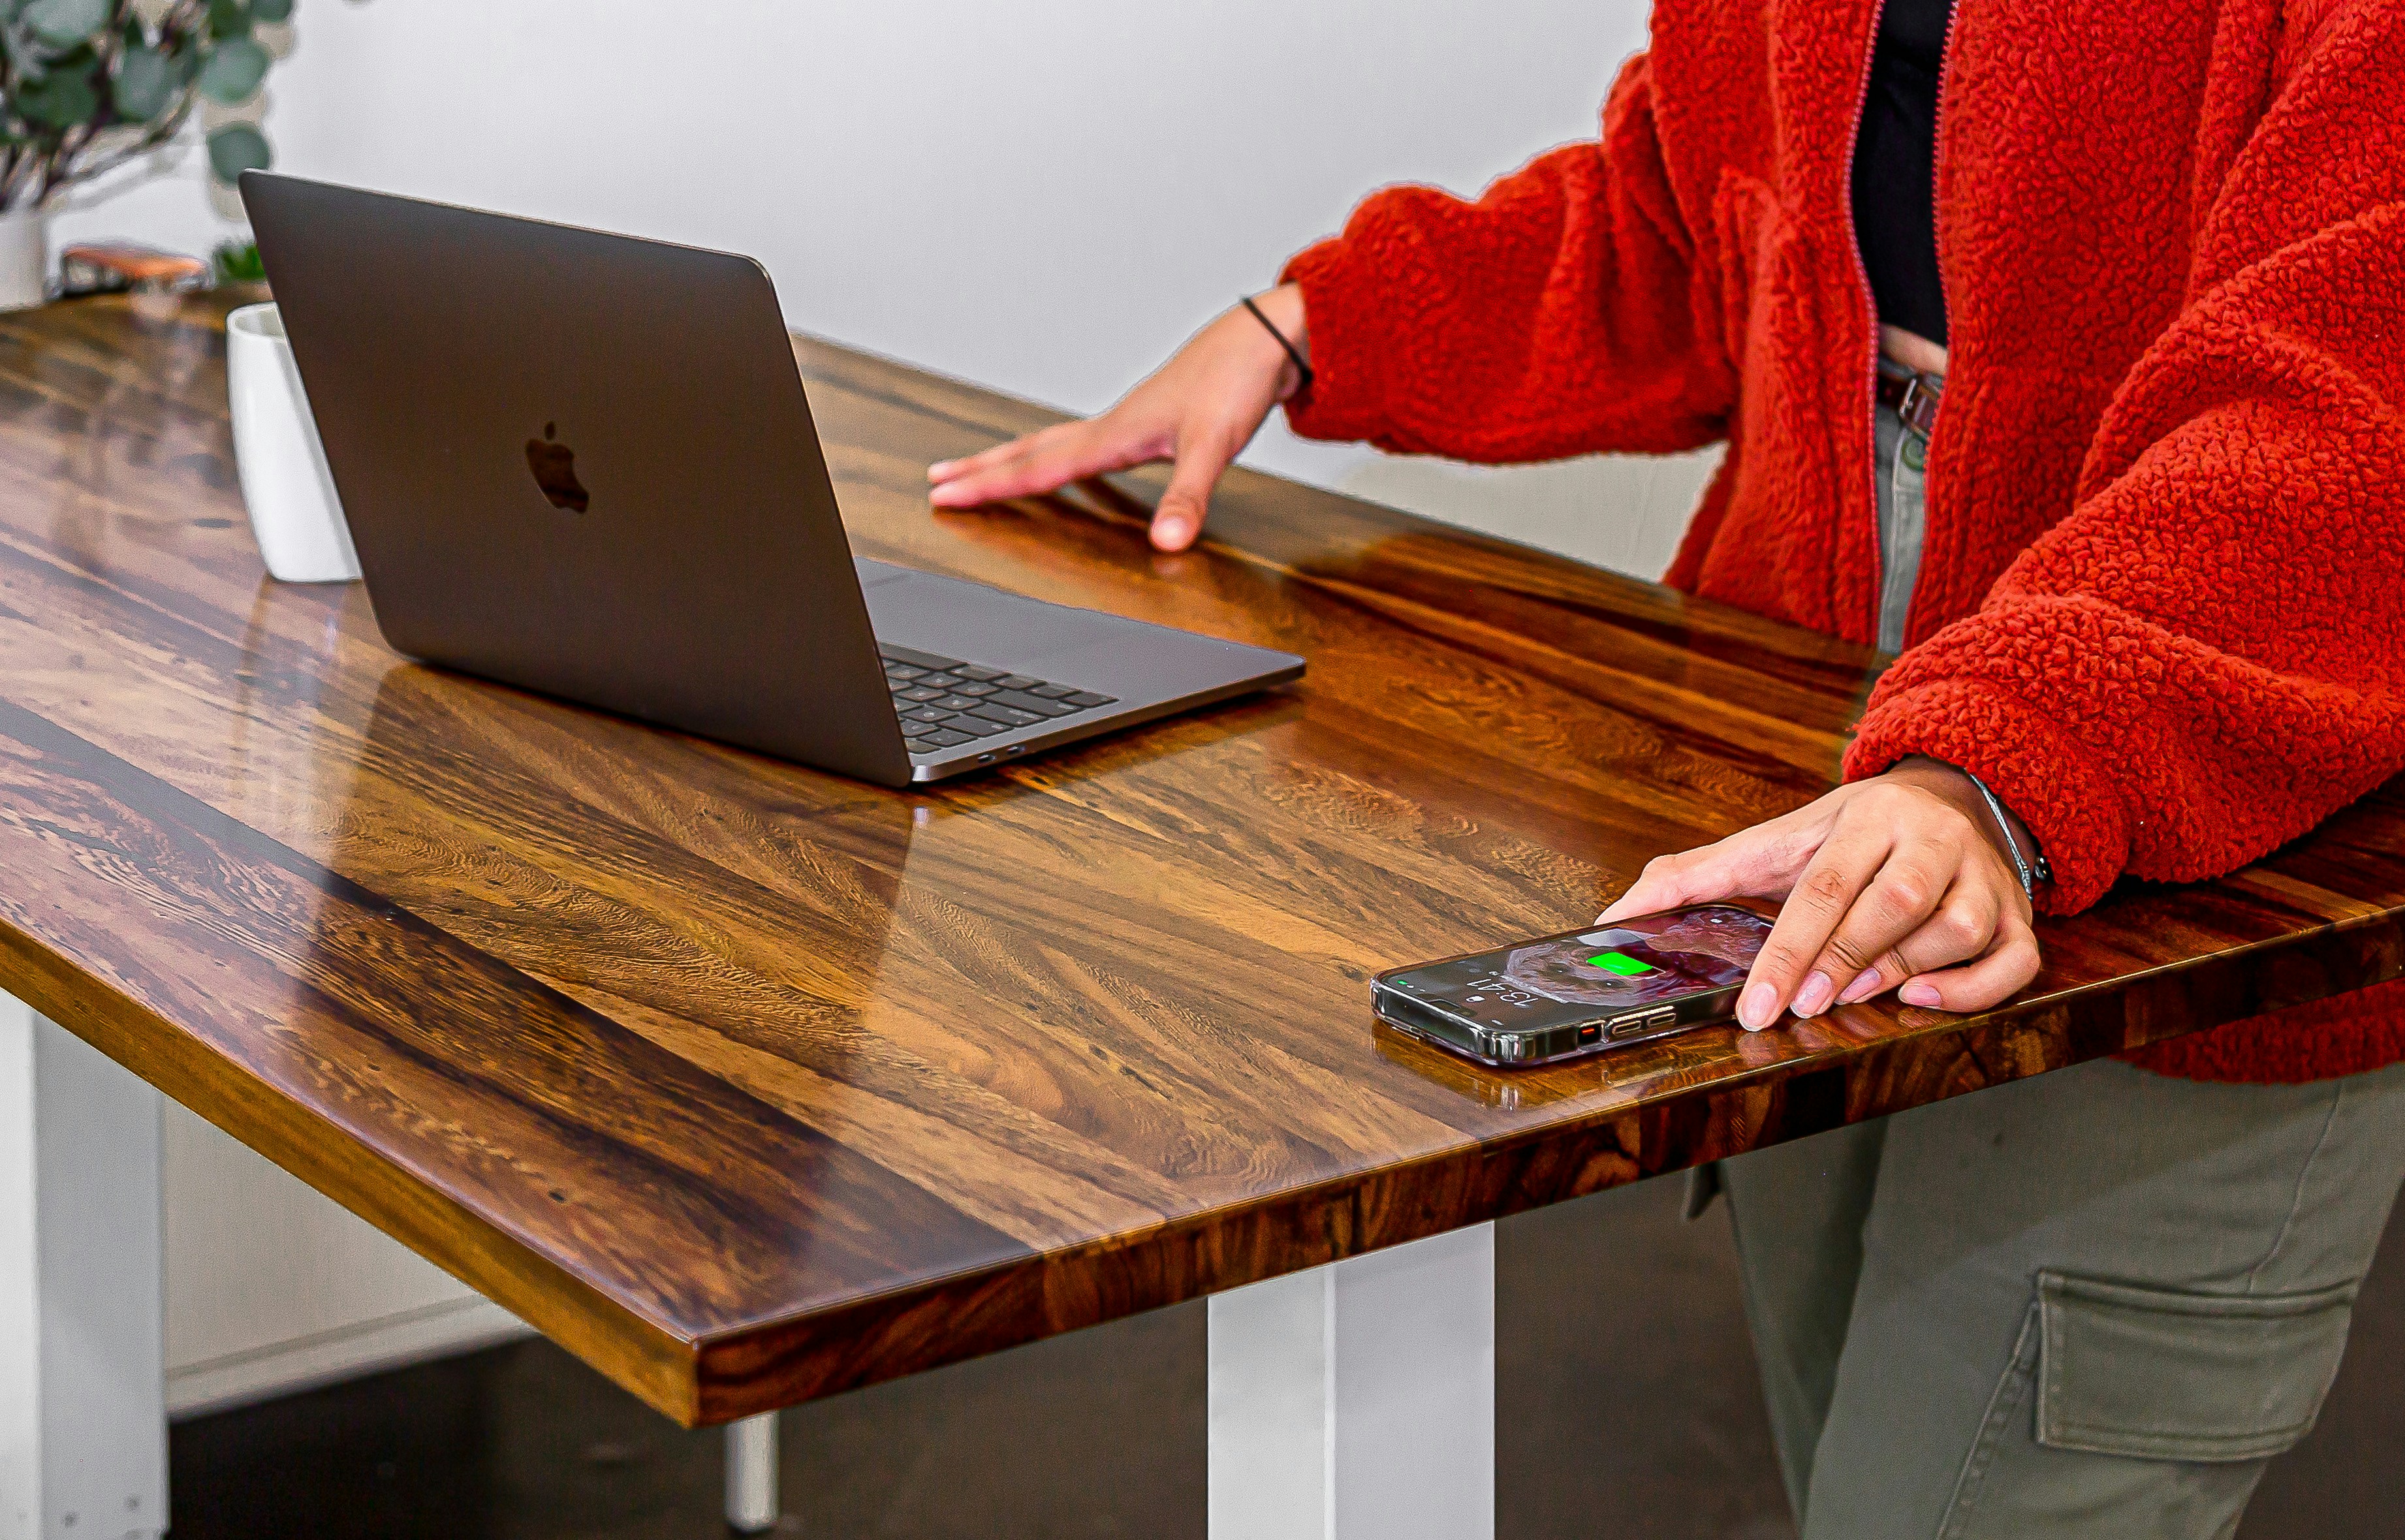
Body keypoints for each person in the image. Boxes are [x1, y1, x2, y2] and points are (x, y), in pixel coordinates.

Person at [930, 1, 2405, 1535]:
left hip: (2208, 812)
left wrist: (1994, 761)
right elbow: (1694, 214)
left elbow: (2358, 412)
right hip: (1814, 785)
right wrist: (1315, 321)